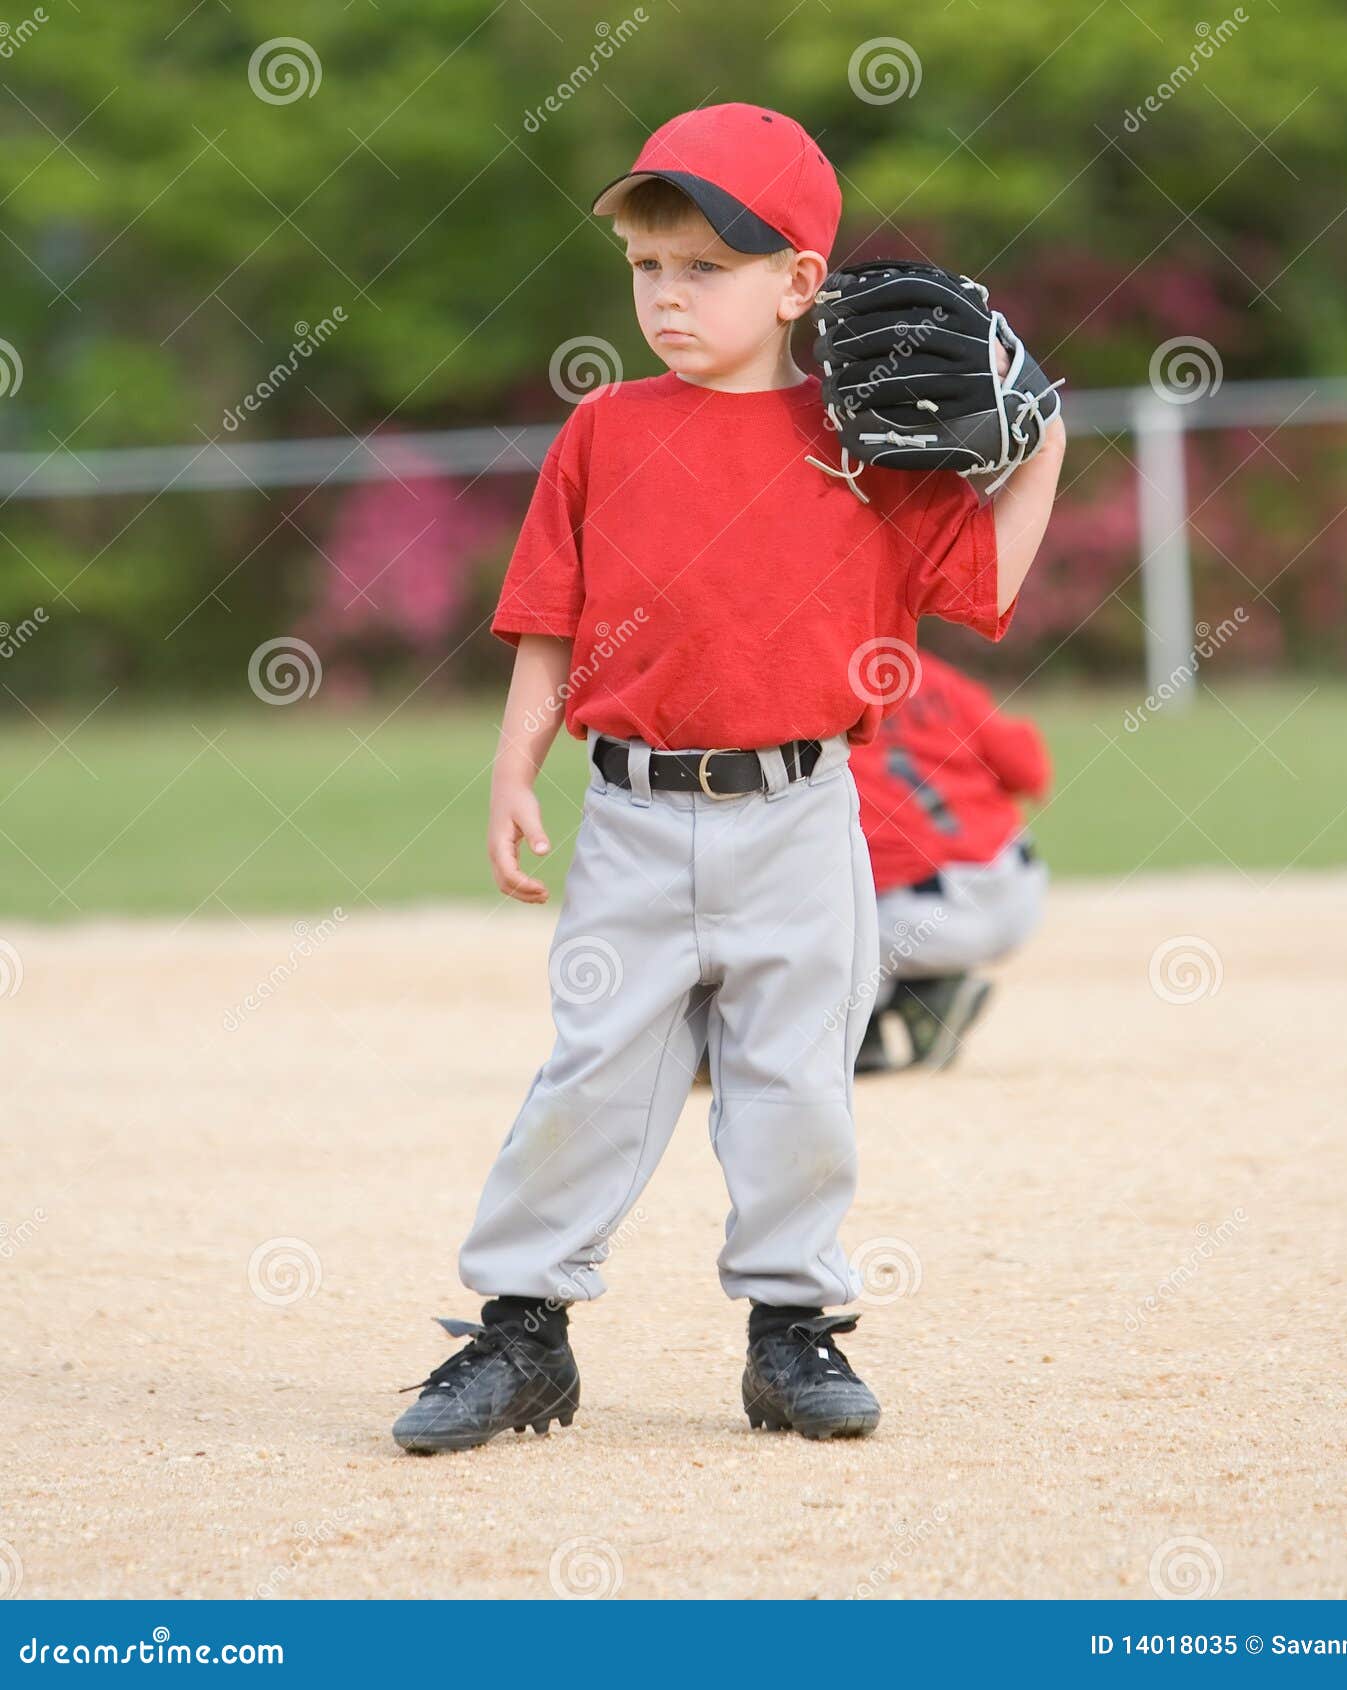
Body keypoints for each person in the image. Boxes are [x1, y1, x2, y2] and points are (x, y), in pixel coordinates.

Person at [393, 102, 1066, 1455]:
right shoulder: (604, 429)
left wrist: (1042, 433)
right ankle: (521, 1330)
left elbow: (983, 580)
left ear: (798, 283)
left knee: (794, 1079)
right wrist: (512, 764)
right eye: (648, 265)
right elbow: (547, 619)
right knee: (591, 1070)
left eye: (706, 266)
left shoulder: (866, 447)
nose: (668, 294)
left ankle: (789, 1331)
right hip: (633, 816)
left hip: (803, 818)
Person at [846, 653, 1051, 1074]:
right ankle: (931, 993)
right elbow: (1030, 771)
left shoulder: (814, 699)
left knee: (805, 926)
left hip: (918, 917)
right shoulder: (931, 675)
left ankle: (867, 1029)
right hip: (1019, 888)